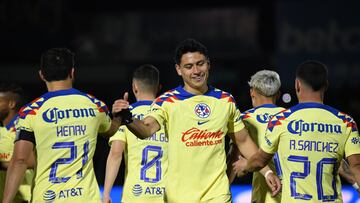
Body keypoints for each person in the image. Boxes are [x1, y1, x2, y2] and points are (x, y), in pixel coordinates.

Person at [112, 39, 281, 203]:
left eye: (200, 64)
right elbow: (146, 129)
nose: (196, 71)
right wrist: (127, 117)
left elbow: (243, 140)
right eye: (188, 66)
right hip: (179, 197)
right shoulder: (167, 101)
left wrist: (266, 172)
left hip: (217, 195)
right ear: (179, 69)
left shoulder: (225, 100)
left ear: (208, 64)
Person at [2, 48, 122, 203]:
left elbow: (19, 160)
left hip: (47, 198)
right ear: (72, 72)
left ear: (41, 75)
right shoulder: (95, 105)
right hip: (85, 198)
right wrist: (118, 117)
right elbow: (111, 131)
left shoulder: (31, 112)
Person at [238, 60, 360, 202]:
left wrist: (245, 166)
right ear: (326, 85)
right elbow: (355, 166)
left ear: (297, 85)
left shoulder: (281, 121)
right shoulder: (345, 122)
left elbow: (259, 161)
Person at [102, 64, 168, 203]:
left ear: (134, 87)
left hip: (135, 195)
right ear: (159, 88)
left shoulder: (126, 115)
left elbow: (115, 153)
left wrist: (107, 193)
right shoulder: (167, 113)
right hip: (167, 195)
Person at [227, 70, 284, 203]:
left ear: (252, 92)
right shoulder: (292, 119)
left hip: (266, 197)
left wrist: (223, 190)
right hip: (295, 197)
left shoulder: (244, 119)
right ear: (278, 94)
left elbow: (234, 161)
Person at [0, 82, 34, 202]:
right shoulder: (3, 131)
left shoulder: (24, 129)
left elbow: (34, 160)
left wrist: (3, 165)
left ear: (11, 104)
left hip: (26, 198)